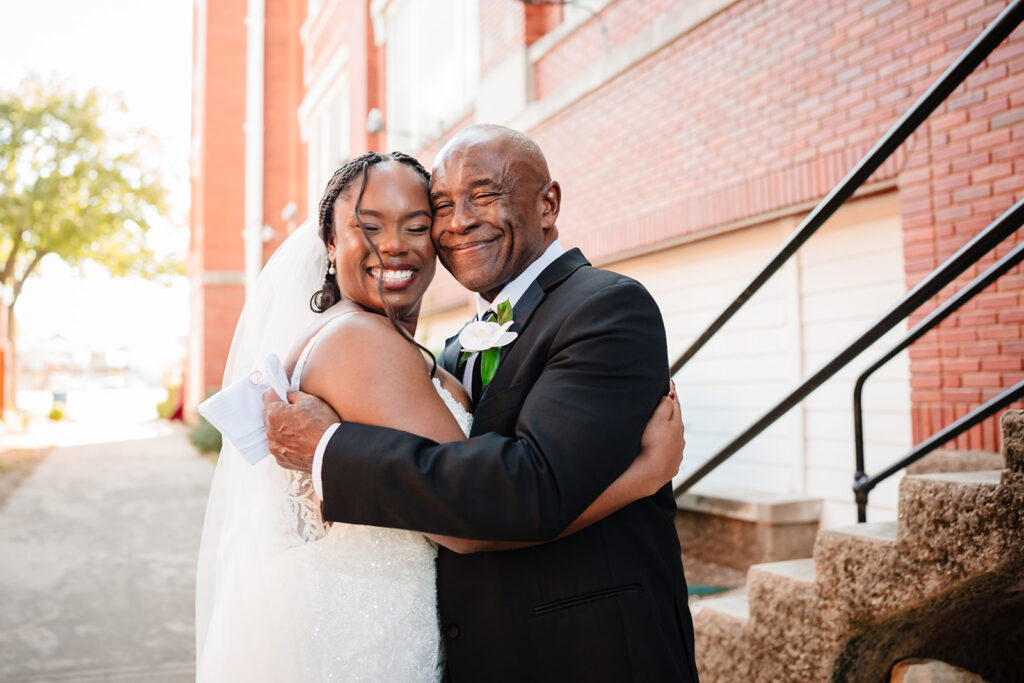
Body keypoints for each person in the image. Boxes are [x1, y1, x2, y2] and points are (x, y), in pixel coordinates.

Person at [197, 150, 685, 681]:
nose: (395, 244)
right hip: (366, 638)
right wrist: (643, 477)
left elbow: (492, 492)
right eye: (369, 226)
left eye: (417, 224)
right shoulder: (362, 340)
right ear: (331, 245)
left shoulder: (598, 306)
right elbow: (472, 518)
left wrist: (327, 449)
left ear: (549, 204)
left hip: (583, 648)